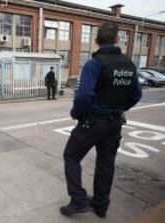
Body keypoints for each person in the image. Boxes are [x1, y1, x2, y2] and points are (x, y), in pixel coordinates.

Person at [60, 22, 142, 218]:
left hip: (93, 121)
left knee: (71, 156)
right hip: (114, 123)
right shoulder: (129, 64)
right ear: (117, 40)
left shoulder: (94, 63)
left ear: (96, 41)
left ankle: (79, 200)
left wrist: (76, 113)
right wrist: (120, 108)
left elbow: (83, 96)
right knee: (106, 164)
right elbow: (136, 94)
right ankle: (101, 205)